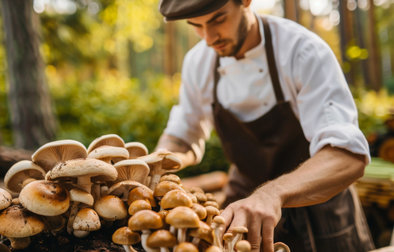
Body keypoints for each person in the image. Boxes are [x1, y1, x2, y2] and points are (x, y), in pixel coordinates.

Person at [154, 0, 375, 251]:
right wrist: (153, 164)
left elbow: (347, 156)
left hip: (319, 212)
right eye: (196, 26)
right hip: (242, 211)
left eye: (218, 20)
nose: (209, 38)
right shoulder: (198, 62)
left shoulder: (302, 51)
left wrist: (272, 194)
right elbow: (183, 137)